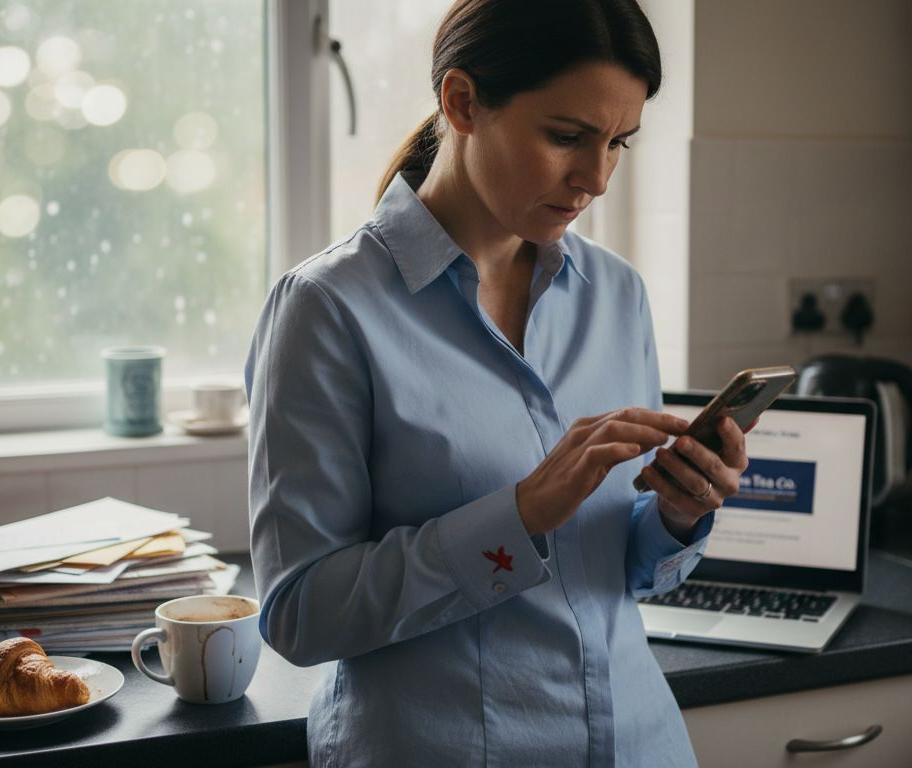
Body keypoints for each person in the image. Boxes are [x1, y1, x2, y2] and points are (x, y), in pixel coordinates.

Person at [245, 1, 751, 765]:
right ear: (461, 102)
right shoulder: (327, 309)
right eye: (566, 136)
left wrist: (678, 516)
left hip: (642, 744)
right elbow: (301, 617)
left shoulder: (616, 295)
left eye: (618, 143)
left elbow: (618, 574)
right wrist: (518, 514)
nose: (597, 177)